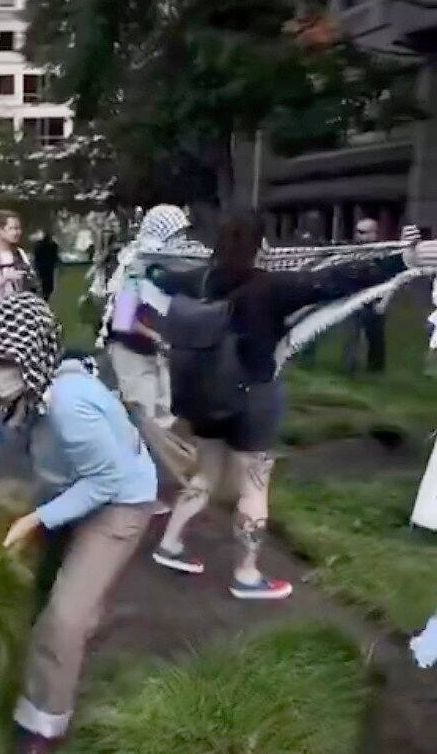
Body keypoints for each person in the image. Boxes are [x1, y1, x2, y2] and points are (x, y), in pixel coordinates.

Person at [148, 211, 430, 601]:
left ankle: (170, 544)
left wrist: (141, 263)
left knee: (206, 474)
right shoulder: (271, 287)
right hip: (252, 400)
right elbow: (337, 280)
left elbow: (158, 276)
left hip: (206, 395)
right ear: (260, 247)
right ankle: (246, 575)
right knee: (253, 487)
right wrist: (403, 260)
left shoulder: (200, 279)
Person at [0, 291, 156, 754]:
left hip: (120, 498)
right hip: (64, 484)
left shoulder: (69, 405)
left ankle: (41, 727)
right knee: (36, 591)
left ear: (34, 362)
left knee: (65, 617)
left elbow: (106, 481)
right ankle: (34, 668)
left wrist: (33, 520)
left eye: (8, 368)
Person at [104, 204, 199, 499]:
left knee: (163, 414)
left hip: (156, 352)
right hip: (131, 351)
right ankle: (136, 487)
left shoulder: (166, 266)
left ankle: (155, 477)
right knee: (142, 419)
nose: (181, 239)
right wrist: (157, 337)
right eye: (176, 234)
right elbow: (123, 319)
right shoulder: (136, 267)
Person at [342, 216, 386, 373]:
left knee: (375, 337)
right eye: (358, 232)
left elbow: (391, 279)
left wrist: (383, 302)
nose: (359, 236)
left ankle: (375, 369)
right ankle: (350, 368)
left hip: (376, 300)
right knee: (352, 334)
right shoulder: (352, 253)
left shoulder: (384, 253)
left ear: (374, 233)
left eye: (363, 232)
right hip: (354, 299)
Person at [32, 229, 61, 303]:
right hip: (49, 266)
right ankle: (45, 296)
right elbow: (55, 255)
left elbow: (36, 255)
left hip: (41, 266)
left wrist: (35, 264)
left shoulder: (39, 245)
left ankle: (42, 295)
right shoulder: (53, 245)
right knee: (48, 282)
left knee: (42, 280)